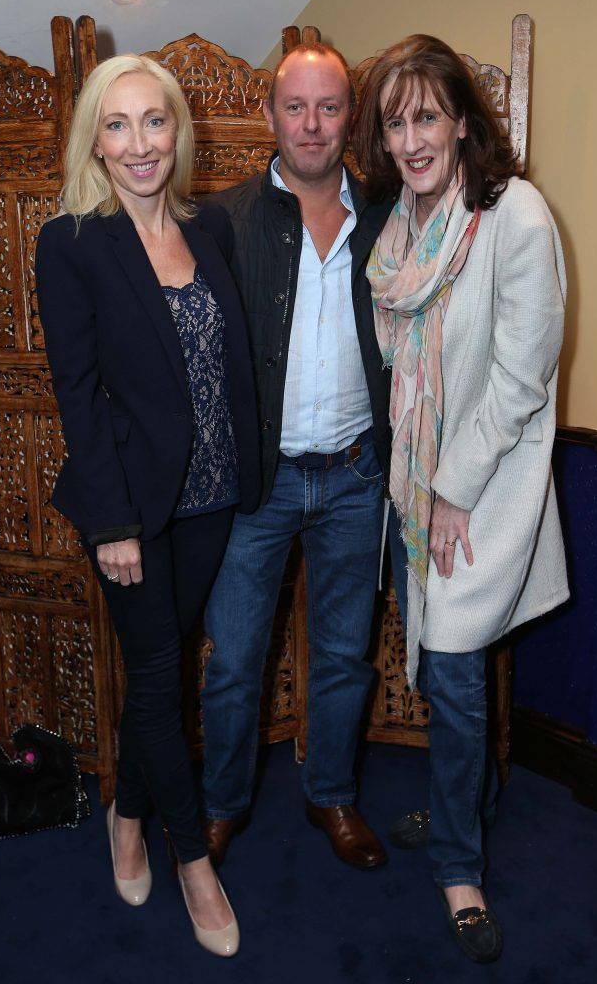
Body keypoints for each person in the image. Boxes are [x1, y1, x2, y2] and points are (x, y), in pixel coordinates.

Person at [35, 54, 261, 958]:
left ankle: (125, 813)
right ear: (95, 138)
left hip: (210, 500)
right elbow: (75, 393)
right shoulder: (73, 241)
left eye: (154, 122)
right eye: (118, 125)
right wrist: (113, 524)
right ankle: (191, 861)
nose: (139, 144)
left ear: (179, 131)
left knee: (163, 675)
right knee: (163, 679)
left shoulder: (208, 229)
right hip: (132, 508)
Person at [352, 34, 568, 962]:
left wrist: (449, 490)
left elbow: (521, 376)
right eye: (395, 122)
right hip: (418, 489)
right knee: (450, 669)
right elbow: (400, 367)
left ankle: (457, 863)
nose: (411, 138)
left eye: (427, 115)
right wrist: (417, 484)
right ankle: (457, 805)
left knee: (453, 666)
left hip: (482, 484)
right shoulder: (399, 227)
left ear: (466, 122)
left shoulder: (513, 213)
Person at [199, 44, 393, 870]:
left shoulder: (391, 214)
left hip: (357, 473)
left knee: (345, 656)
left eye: (330, 107)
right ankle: (218, 805)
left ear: (352, 115)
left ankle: (334, 798)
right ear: (269, 114)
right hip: (260, 480)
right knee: (237, 662)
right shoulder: (223, 218)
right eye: (295, 107)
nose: (312, 125)